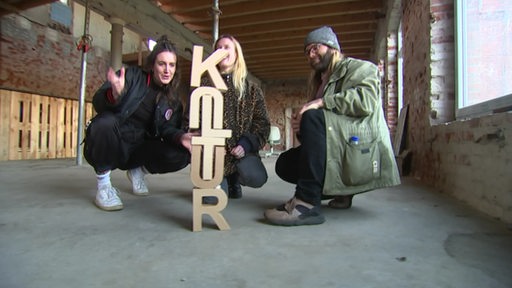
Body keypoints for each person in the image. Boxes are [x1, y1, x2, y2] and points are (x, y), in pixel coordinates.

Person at [264, 26, 401, 226]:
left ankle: (307, 203)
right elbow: (322, 134)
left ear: (333, 48)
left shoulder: (360, 68)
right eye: (307, 51)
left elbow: (366, 101)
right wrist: (301, 129)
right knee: (285, 163)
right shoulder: (317, 82)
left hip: (360, 150)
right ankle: (343, 192)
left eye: (315, 48)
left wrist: (320, 103)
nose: (310, 54)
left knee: (312, 114)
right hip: (337, 147)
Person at [84, 35, 195, 211]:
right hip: (117, 142)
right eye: (162, 64)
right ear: (152, 65)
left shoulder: (173, 99)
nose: (167, 70)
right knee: (103, 123)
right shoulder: (132, 76)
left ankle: (138, 171)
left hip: (140, 149)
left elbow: (168, 128)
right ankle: (104, 186)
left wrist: (180, 136)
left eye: (171, 65)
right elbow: (98, 102)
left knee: (182, 154)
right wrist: (114, 94)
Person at [195, 34, 270, 204]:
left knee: (256, 177)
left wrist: (246, 144)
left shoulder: (252, 90)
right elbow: (192, 121)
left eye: (226, 47)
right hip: (213, 156)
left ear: (236, 54)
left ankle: (234, 177)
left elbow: (262, 124)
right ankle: (210, 180)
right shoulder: (204, 86)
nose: (222, 51)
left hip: (240, 154)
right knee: (211, 200)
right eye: (218, 48)